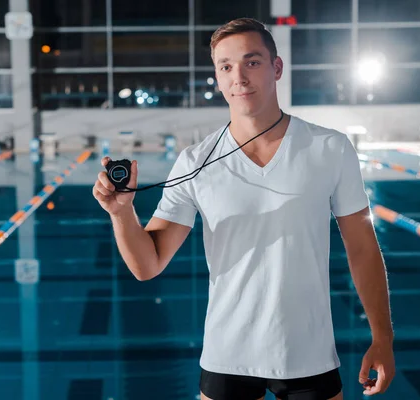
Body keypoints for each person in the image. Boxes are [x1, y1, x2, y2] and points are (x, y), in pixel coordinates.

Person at [92, 17, 395, 400]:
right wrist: (121, 213)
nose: (239, 76)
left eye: (252, 62)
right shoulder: (195, 162)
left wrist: (382, 337)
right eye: (226, 66)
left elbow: (363, 247)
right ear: (217, 79)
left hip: (309, 353)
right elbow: (147, 265)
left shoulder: (329, 148)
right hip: (226, 357)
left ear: (276, 68)